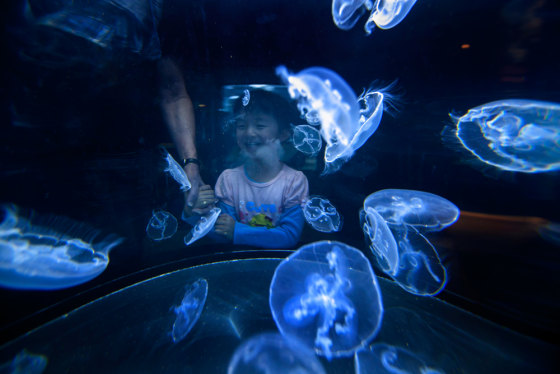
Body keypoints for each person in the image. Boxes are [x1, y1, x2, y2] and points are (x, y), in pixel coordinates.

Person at [188, 90, 309, 248]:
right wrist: (193, 212)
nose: (249, 132)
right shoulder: (229, 179)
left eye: (259, 125)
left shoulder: (295, 181)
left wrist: (237, 231)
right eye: (241, 125)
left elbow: (289, 235)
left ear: (283, 133)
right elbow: (222, 232)